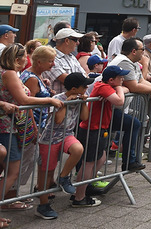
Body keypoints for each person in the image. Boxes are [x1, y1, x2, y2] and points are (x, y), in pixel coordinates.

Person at [0, 44, 62, 211]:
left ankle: (7, 200)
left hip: (12, 124)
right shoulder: (10, 73)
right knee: (13, 169)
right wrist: (50, 100)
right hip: (8, 126)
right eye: (24, 57)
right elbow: (24, 100)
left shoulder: (10, 72)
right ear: (18, 59)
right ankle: (6, 201)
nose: (26, 60)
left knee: (9, 167)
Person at [35, 72, 90, 220]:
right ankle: (43, 205)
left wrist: (83, 102)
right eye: (84, 86)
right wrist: (65, 102)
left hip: (67, 134)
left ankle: (64, 177)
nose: (86, 88)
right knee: (46, 173)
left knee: (78, 149)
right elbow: (58, 120)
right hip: (50, 138)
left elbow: (84, 118)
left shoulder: (79, 98)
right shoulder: (57, 99)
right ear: (73, 89)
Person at [73, 65, 128, 207]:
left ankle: (86, 186)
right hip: (92, 129)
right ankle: (79, 197)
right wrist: (120, 89)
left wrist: (119, 88)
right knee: (88, 162)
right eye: (120, 78)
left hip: (99, 128)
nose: (123, 79)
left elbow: (122, 93)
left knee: (101, 157)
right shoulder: (103, 87)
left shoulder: (107, 86)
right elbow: (119, 101)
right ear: (111, 80)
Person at [108, 38, 151, 171]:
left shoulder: (133, 63)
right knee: (134, 123)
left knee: (134, 123)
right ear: (133, 51)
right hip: (107, 108)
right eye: (142, 50)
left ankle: (130, 160)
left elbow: (141, 80)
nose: (143, 52)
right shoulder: (124, 62)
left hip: (117, 107)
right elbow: (134, 86)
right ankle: (129, 161)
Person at [41, 28, 86, 96]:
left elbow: (85, 76)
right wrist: (83, 81)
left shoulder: (72, 57)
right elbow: (69, 81)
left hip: (71, 103)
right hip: (57, 104)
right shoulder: (52, 57)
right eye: (75, 40)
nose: (78, 43)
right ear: (67, 41)